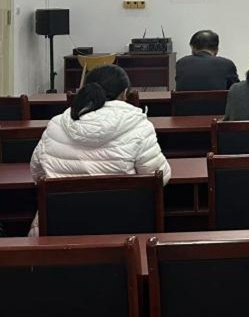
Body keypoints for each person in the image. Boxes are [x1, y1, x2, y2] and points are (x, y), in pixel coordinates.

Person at [29, 64, 171, 235]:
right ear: (125, 93)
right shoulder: (139, 126)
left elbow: (37, 173)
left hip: (58, 231)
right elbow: (158, 178)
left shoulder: (56, 124)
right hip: (125, 229)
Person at [175, 29, 240, 91]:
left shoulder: (181, 63)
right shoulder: (227, 64)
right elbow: (236, 91)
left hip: (187, 100)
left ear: (193, 48)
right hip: (216, 99)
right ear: (216, 50)